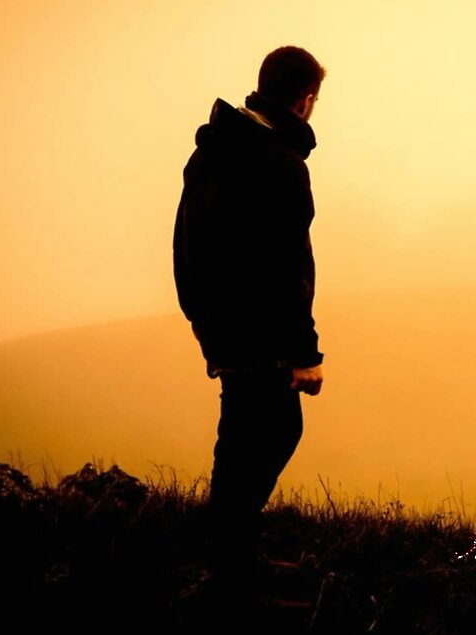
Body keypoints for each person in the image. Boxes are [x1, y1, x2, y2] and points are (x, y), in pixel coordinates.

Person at [172, 46, 326, 595]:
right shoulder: (279, 166)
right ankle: (229, 570)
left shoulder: (214, 150)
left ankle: (228, 561)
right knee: (272, 432)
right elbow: (290, 269)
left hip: (221, 326)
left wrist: (202, 322)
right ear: (305, 101)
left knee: (241, 436)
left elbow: (183, 243)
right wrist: (305, 355)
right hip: (259, 335)